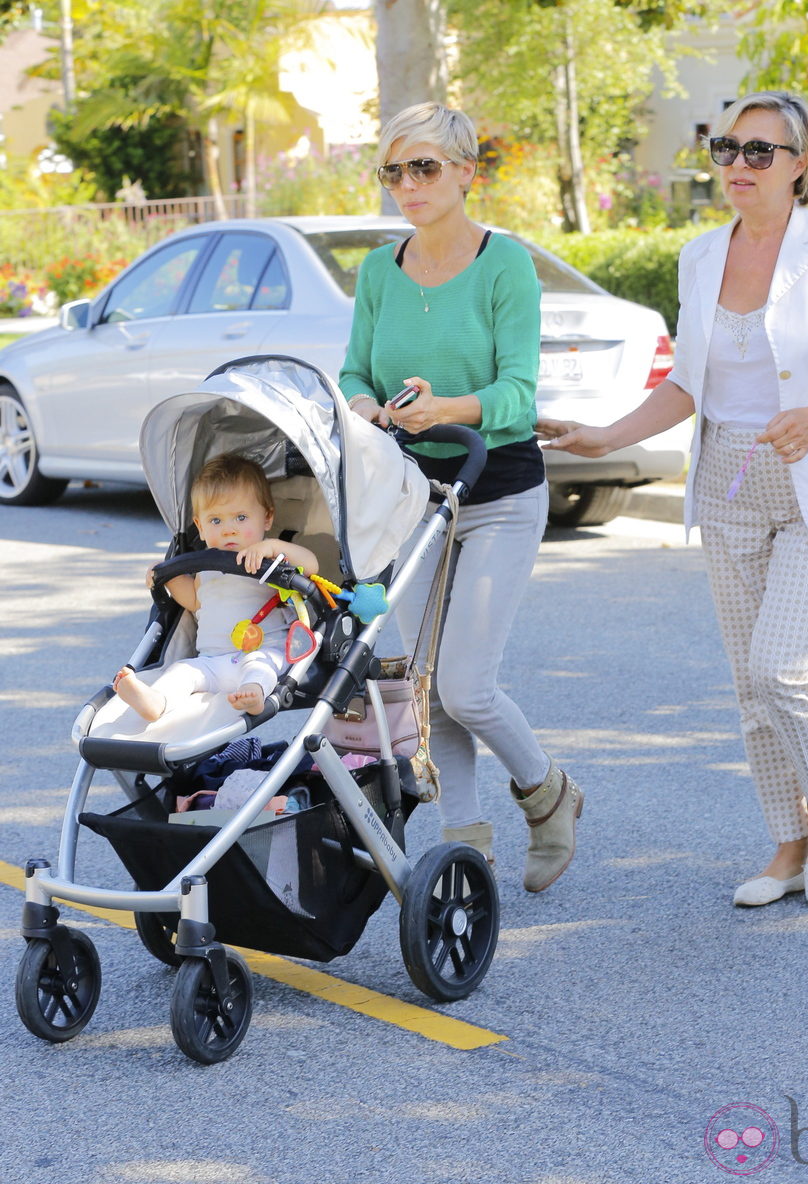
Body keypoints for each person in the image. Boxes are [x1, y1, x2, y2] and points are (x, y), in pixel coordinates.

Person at [537, 91, 808, 909]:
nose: (738, 166)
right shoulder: (701, 257)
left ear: (801, 164)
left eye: (759, 152)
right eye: (727, 149)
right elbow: (687, 386)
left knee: (786, 667)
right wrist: (605, 437)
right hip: (728, 479)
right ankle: (783, 842)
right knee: (749, 682)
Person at [338, 101, 583, 892]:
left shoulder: (503, 265)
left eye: (425, 168)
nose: (407, 185)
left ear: (466, 173)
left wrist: (446, 408)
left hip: (499, 490)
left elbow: (518, 392)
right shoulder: (379, 270)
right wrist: (368, 407)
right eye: (394, 170)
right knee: (419, 685)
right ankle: (464, 850)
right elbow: (352, 373)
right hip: (414, 497)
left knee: (467, 685)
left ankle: (549, 797)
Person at [114, 452, 318, 721]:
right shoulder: (205, 566)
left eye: (241, 518)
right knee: (182, 671)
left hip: (263, 651)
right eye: (216, 521)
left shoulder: (270, 559)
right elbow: (196, 602)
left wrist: (274, 547)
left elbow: (311, 565)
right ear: (199, 526)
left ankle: (254, 696)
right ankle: (156, 701)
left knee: (262, 669)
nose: (228, 529)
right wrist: (168, 576)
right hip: (212, 662)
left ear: (267, 518)